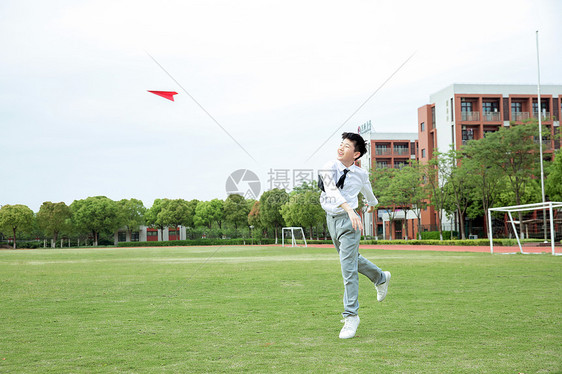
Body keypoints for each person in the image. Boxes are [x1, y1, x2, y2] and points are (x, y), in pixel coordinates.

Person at [318, 132, 391, 339]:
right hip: (332, 219)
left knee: (347, 269)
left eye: (347, 146)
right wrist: (349, 208)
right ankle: (380, 277)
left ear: (356, 154)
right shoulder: (328, 166)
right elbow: (331, 189)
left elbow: (369, 194)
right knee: (350, 260)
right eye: (341, 144)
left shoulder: (361, 174)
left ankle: (351, 316)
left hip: (350, 222)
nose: (341, 148)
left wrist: (371, 205)